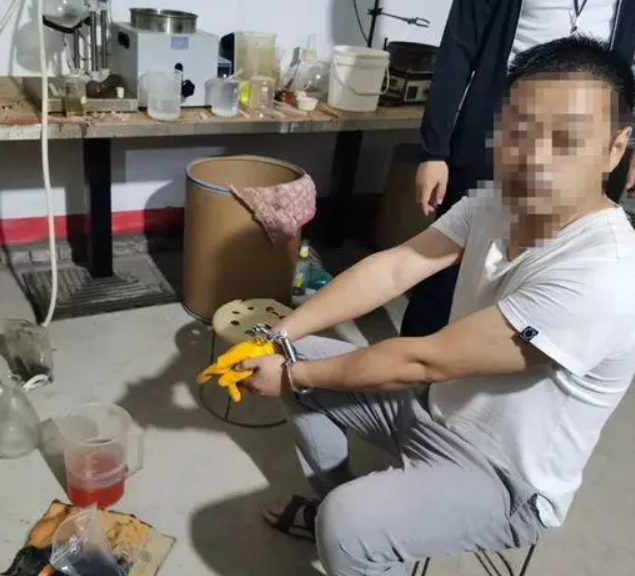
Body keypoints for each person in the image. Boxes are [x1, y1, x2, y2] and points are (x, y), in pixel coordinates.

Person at [234, 37, 635, 576]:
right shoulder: (499, 201)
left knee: (348, 519)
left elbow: (424, 360)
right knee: (297, 361)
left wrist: (292, 374)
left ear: (615, 148)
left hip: (506, 476)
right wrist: (280, 337)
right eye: (520, 129)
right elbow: (396, 267)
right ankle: (343, 514)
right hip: (434, 407)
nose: (535, 158)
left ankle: (351, 531)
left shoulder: (605, 273)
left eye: (567, 140)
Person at [401, 0, 635, 338]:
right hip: (502, 133)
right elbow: (457, 51)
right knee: (448, 266)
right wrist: (434, 151)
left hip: (582, 147)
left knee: (558, 265)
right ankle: (416, 356)